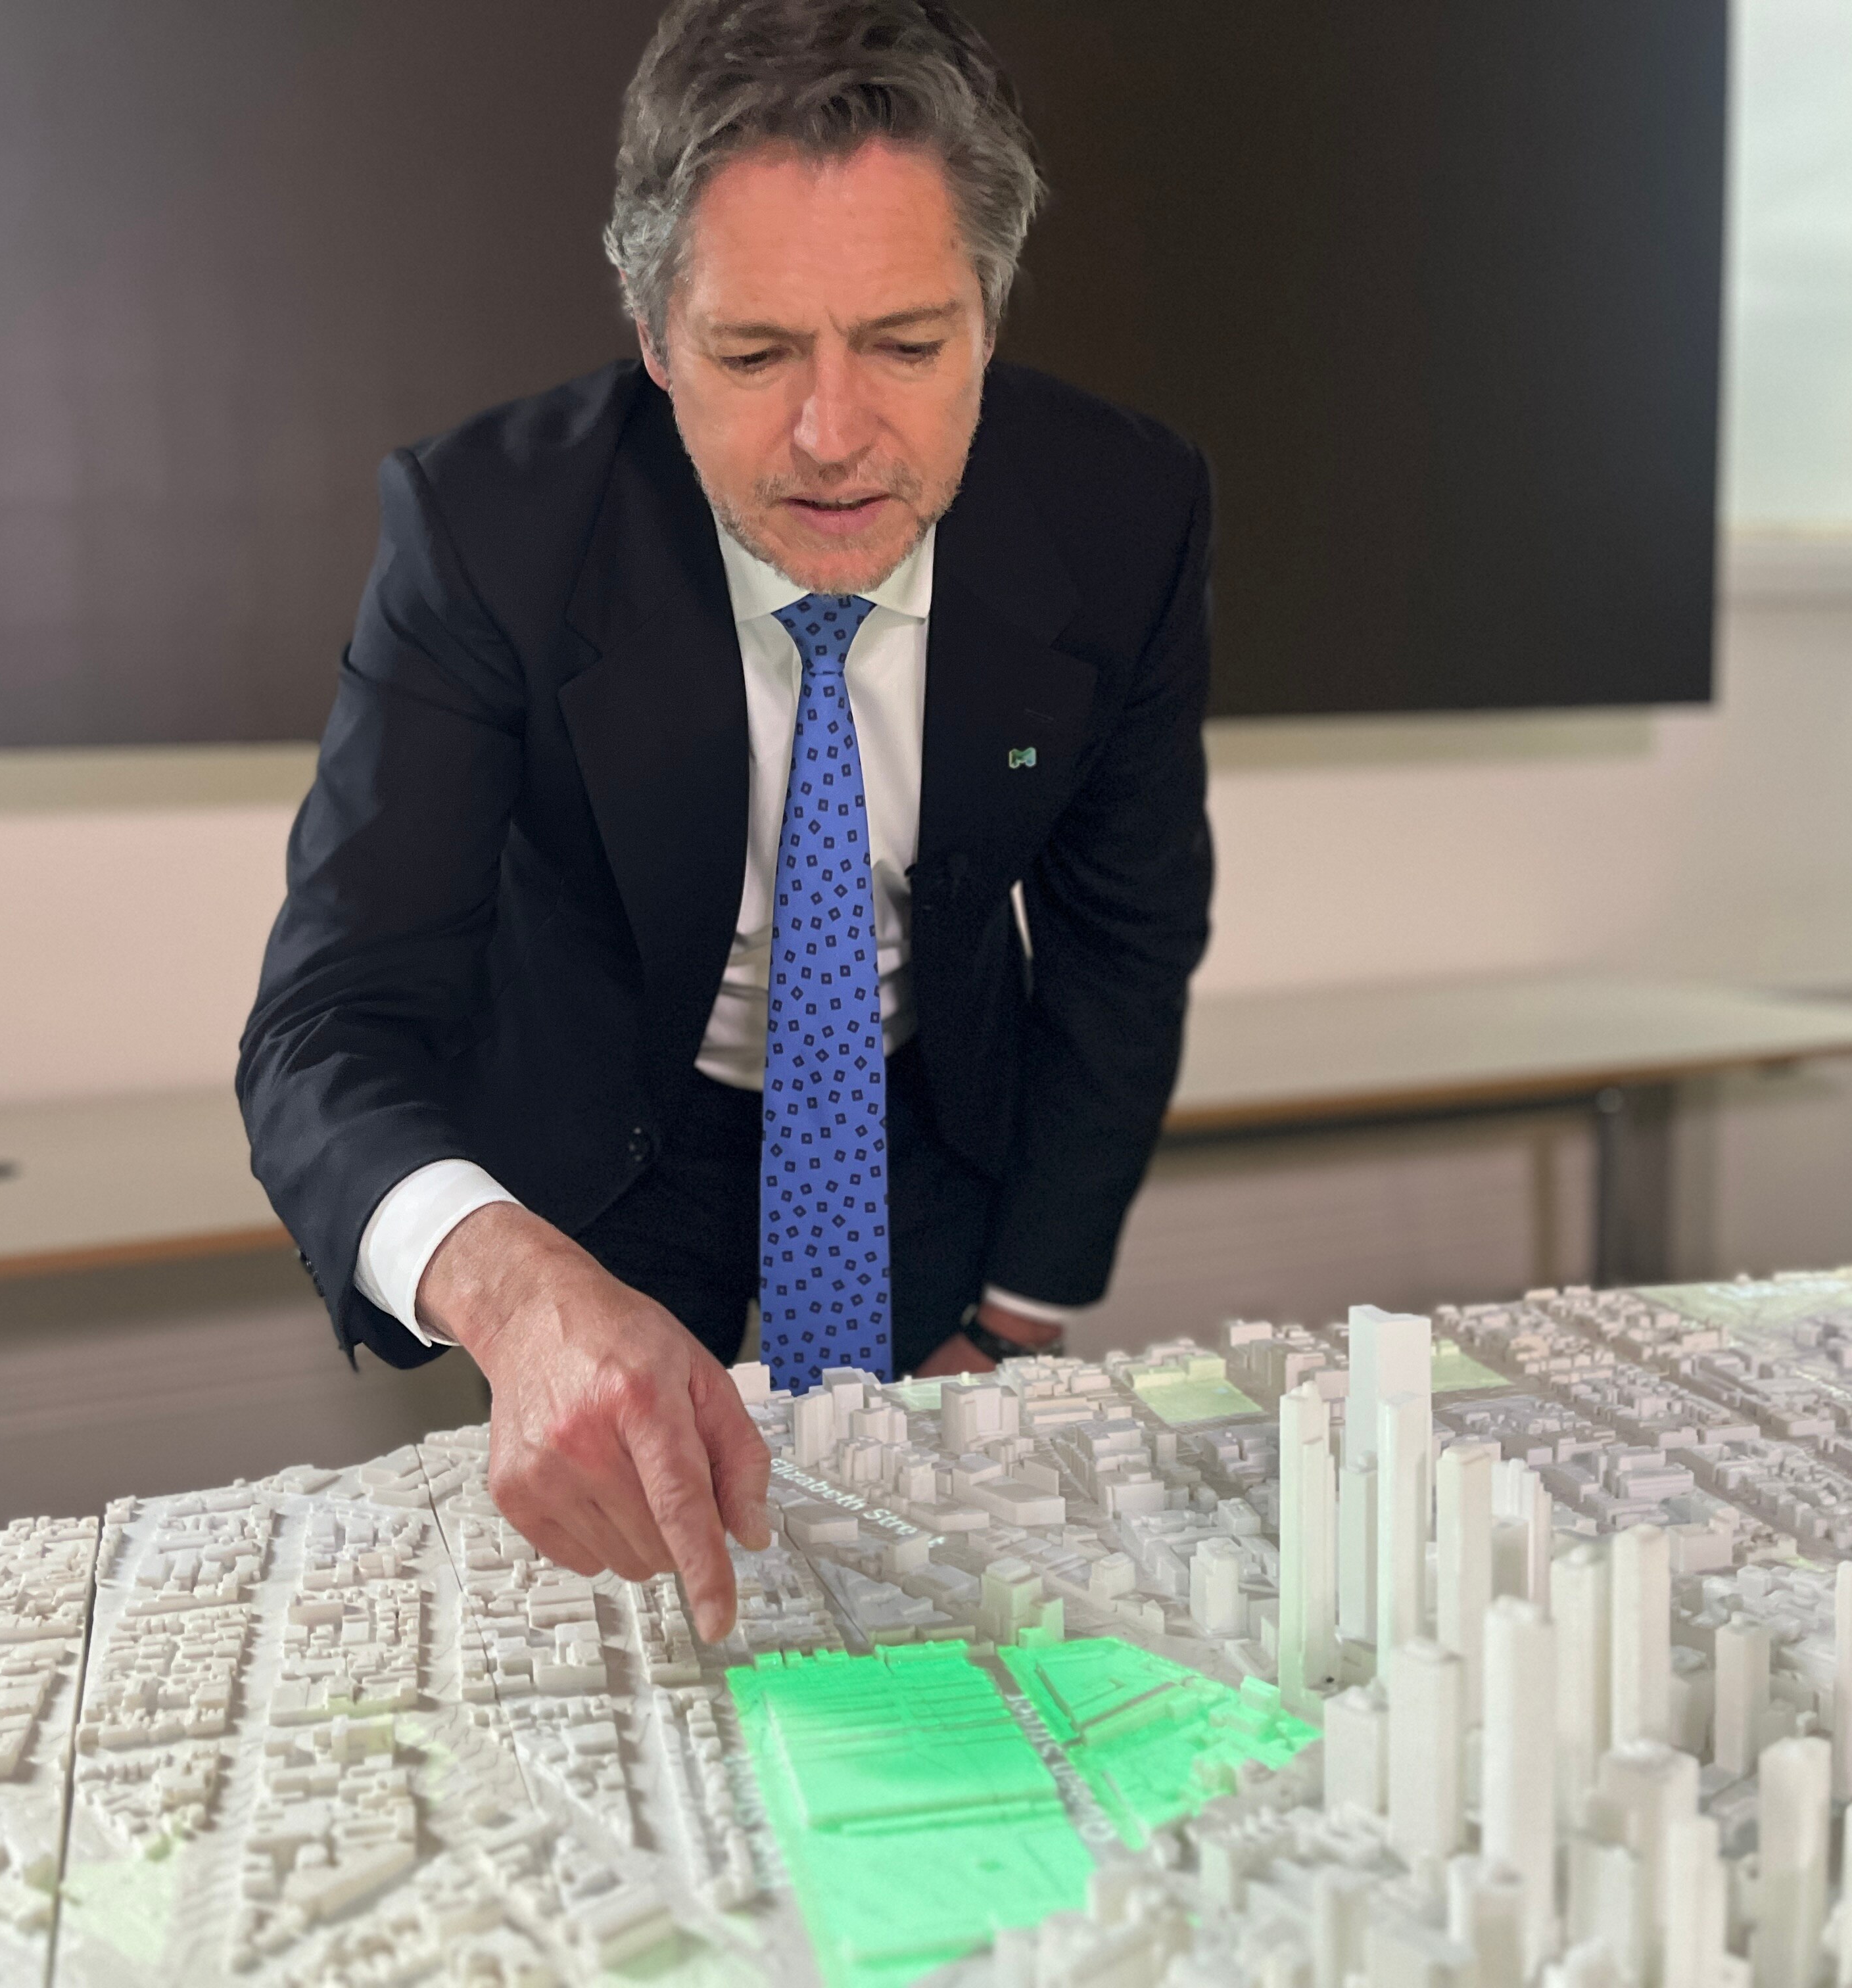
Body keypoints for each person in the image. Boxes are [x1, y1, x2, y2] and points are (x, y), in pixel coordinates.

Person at [239, 0, 1212, 1644]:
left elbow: (1128, 937)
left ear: (991, 314)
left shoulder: (1126, 511)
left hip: (922, 1137)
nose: (834, 437)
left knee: (923, 1629)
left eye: (908, 345)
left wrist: (1023, 1311)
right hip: (587, 1167)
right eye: (756, 355)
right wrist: (513, 1290)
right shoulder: (492, 531)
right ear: (653, 329)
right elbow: (328, 1024)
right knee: (623, 1631)